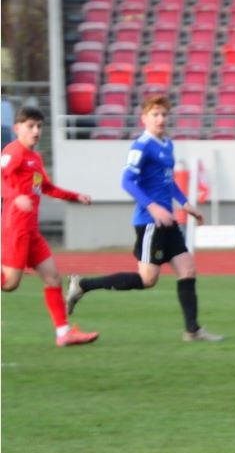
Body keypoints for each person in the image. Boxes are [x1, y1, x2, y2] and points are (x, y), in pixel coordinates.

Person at [65, 96, 222, 342]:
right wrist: (153, 208)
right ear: (144, 118)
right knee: (147, 279)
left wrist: (186, 204)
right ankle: (83, 285)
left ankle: (192, 331)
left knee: (188, 269)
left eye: (164, 115)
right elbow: (127, 181)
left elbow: (167, 182)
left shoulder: (167, 144)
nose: (160, 119)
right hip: (150, 222)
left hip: (167, 221)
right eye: (155, 114)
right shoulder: (141, 146)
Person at [2, 106, 101, 346]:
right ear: (17, 129)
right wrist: (15, 197)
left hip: (31, 231)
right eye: (30, 126)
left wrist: (75, 196)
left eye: (39, 126)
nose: (36, 131)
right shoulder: (13, 152)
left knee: (53, 277)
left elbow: (47, 187)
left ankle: (63, 333)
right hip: (15, 228)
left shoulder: (35, 158)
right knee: (10, 283)